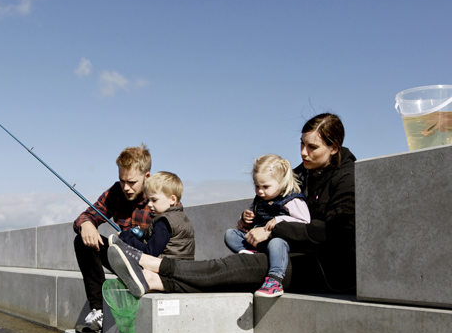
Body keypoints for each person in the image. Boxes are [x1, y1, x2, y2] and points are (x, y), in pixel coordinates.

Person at [107, 113, 356, 298]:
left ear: (334, 147)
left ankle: (149, 263)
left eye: (312, 147)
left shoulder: (347, 178)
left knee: (234, 267)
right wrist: (250, 220)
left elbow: (334, 232)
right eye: (301, 144)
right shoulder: (300, 174)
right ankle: (153, 281)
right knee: (231, 273)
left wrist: (272, 230)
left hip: (322, 267)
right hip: (289, 252)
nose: (303, 152)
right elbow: (267, 202)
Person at [73, 143, 153, 333]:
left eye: (132, 182)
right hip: (122, 258)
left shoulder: (159, 196)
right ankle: (98, 310)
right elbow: (87, 215)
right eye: (122, 180)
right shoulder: (116, 192)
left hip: (149, 263)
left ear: (147, 176)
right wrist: (87, 224)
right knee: (82, 241)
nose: (126, 187)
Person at [223, 154, 310, 297]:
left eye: (265, 186)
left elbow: (305, 221)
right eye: (257, 186)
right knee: (230, 234)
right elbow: (252, 215)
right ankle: (252, 253)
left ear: (281, 182)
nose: (260, 191)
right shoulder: (260, 199)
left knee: (277, 242)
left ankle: (275, 280)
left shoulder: (292, 199)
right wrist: (245, 218)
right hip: (258, 241)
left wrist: (279, 220)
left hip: (280, 241)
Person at [110, 171, 195, 260]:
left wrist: (127, 237)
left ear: (172, 199)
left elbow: (150, 252)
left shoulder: (163, 222)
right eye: (148, 200)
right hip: (184, 268)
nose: (149, 204)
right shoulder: (182, 217)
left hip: (166, 270)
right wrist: (143, 237)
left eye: (154, 200)